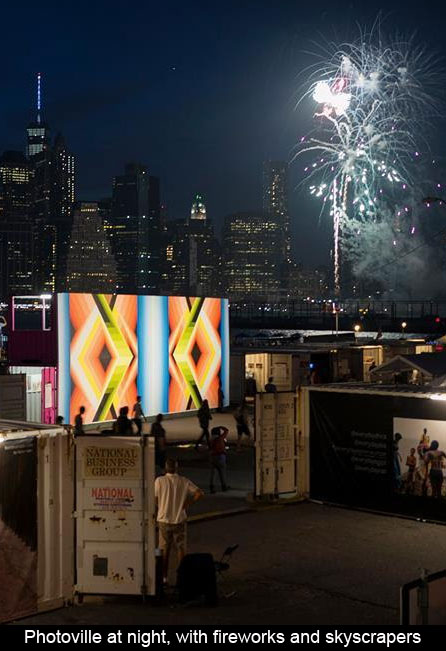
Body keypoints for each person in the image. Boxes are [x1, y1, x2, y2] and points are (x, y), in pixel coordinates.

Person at [155, 458, 203, 584]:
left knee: (164, 549)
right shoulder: (184, 481)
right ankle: (181, 577)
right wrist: (187, 504)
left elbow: (155, 497)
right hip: (179, 519)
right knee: (181, 548)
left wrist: (160, 505)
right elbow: (199, 493)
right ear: (177, 468)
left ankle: (164, 577)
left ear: (165, 468)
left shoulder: (159, 481)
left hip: (163, 519)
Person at [209, 426, 229, 493]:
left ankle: (212, 487)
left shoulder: (211, 440)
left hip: (213, 457)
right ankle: (224, 486)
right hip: (220, 457)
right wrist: (221, 427)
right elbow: (226, 431)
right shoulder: (220, 438)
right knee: (222, 472)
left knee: (213, 473)